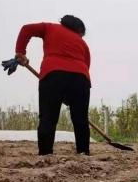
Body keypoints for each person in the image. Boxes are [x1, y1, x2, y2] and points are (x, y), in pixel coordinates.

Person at [14, 15, 91, 155]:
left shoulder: (50, 27)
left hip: (53, 75)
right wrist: (71, 95)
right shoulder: (82, 43)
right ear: (79, 29)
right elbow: (86, 65)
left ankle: (45, 154)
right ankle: (84, 152)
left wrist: (20, 52)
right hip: (81, 79)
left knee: (48, 117)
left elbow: (26, 29)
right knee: (81, 119)